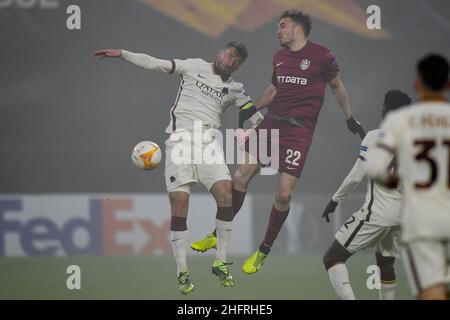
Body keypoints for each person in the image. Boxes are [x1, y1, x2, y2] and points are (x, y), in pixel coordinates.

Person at [191, 10, 366, 275]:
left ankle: (263, 250)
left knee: (283, 195)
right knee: (239, 177)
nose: (277, 30)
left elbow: (337, 87)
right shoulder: (280, 57)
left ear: (298, 30)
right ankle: (217, 232)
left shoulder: (323, 56)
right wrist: (251, 107)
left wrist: (349, 117)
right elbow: (273, 91)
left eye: (282, 26)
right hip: (272, 124)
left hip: (299, 133)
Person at [94, 42, 258, 294]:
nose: (230, 60)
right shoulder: (193, 66)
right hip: (180, 139)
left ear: (239, 65)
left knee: (226, 195)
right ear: (220, 52)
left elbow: (255, 115)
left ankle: (221, 261)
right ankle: (182, 271)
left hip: (209, 140)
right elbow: (154, 62)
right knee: (180, 204)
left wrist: (258, 131)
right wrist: (123, 54)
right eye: (228, 53)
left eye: (236, 59)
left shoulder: (236, 89)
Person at [367, 54, 450, 300]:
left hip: (422, 220)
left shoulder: (400, 122)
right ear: (447, 84)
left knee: (431, 291)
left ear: (417, 84)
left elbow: (375, 169)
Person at [322, 90, 411, 300]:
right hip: (402, 216)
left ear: (386, 112)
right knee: (386, 263)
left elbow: (355, 177)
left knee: (332, 258)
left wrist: (335, 200)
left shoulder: (374, 137)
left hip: (377, 214)